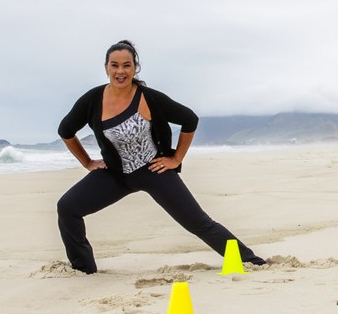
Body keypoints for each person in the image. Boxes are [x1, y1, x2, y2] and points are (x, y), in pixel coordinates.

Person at [56, 40, 266, 274]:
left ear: (135, 68)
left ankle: (250, 261)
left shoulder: (148, 97)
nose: (120, 71)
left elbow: (190, 119)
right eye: (114, 65)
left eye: (126, 65)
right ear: (106, 68)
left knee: (198, 222)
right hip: (115, 175)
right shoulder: (93, 99)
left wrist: (176, 159)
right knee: (67, 207)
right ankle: (83, 270)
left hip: (153, 171)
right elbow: (66, 130)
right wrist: (87, 162)